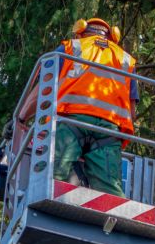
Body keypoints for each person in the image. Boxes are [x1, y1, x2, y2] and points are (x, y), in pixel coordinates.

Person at [19, 18, 138, 197]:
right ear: (113, 37)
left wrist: (20, 118)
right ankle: (115, 221)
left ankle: (45, 202)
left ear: (80, 31)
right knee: (110, 193)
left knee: (53, 179)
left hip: (70, 123)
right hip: (108, 132)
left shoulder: (70, 48)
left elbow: (44, 88)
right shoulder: (126, 61)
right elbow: (131, 112)